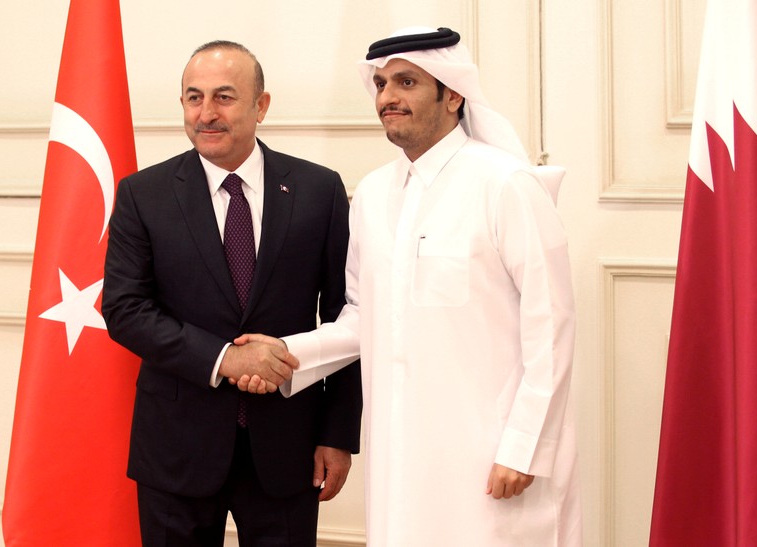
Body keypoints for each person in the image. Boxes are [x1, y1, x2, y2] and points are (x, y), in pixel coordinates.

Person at [237, 27, 581, 546]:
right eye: (380, 84)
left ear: (453, 93)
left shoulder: (506, 184)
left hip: (491, 453)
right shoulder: (374, 193)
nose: (387, 98)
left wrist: (524, 446)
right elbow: (362, 316)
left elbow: (551, 326)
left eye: (406, 82)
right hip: (403, 455)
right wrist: (287, 352)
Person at [102, 40, 362, 547]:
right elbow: (125, 309)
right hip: (177, 450)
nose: (206, 113)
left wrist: (337, 435)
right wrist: (223, 359)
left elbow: (346, 317)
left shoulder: (319, 189)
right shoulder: (143, 194)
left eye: (224, 97)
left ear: (261, 105)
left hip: (287, 449)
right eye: (193, 97)